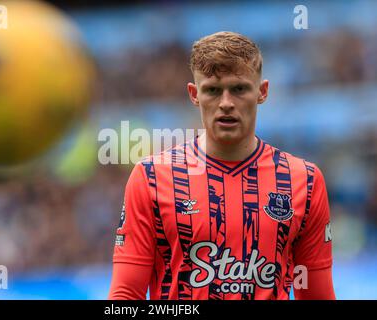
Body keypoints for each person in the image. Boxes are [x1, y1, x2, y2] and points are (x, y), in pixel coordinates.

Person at [108, 31, 335, 300]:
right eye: (213, 90)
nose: (226, 103)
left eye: (239, 89)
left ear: (262, 91)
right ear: (194, 94)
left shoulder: (304, 180)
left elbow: (316, 295)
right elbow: (124, 298)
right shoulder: (151, 177)